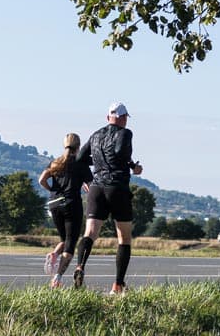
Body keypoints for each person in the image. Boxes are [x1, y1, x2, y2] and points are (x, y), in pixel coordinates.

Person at [72, 102, 143, 295]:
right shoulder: (125, 133)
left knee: (90, 233)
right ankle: (117, 285)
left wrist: (91, 174)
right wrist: (133, 166)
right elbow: (120, 152)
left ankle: (80, 265)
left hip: (96, 187)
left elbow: (80, 159)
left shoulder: (96, 135)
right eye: (125, 118)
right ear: (123, 118)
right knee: (124, 238)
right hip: (117, 187)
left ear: (107, 117)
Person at [39, 133, 92, 288]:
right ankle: (57, 278)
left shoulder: (55, 162)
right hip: (71, 204)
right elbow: (91, 186)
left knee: (65, 239)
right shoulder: (81, 164)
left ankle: (55, 254)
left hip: (54, 204)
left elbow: (41, 179)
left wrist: (52, 190)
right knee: (70, 243)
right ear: (79, 146)